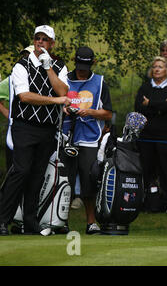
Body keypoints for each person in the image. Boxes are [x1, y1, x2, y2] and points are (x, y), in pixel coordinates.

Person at [0, 25, 70, 236]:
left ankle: (30, 221)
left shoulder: (59, 66)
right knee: (21, 171)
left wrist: (49, 68)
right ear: (34, 41)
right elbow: (25, 96)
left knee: (38, 175)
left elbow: (63, 91)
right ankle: (3, 219)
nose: (40, 42)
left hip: (47, 129)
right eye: (37, 38)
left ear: (52, 44)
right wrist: (55, 101)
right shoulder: (22, 65)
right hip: (25, 126)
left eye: (45, 39)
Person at [62, 46, 112, 234]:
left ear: (93, 63)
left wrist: (89, 111)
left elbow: (108, 113)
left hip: (90, 138)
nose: (81, 69)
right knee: (64, 181)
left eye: (85, 65)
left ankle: (91, 222)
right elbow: (56, 103)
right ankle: (61, 222)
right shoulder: (63, 79)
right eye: (79, 64)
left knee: (88, 182)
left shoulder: (99, 82)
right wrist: (65, 108)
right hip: (67, 136)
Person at [135, 56, 167, 215]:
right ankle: (147, 201)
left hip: (166, 136)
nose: (157, 69)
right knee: (147, 169)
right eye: (154, 66)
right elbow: (140, 108)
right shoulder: (145, 88)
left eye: (160, 67)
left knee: (166, 170)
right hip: (147, 136)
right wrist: (162, 105)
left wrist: (152, 104)